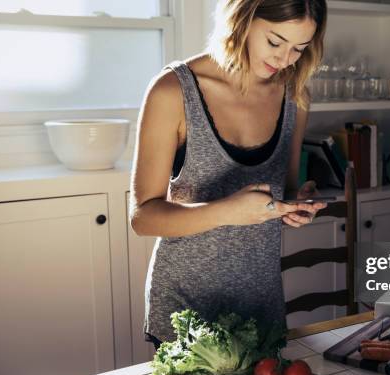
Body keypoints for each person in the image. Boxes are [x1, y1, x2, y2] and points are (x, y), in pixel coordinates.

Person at [129, 0, 328, 350]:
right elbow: (143, 217)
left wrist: (295, 205)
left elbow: (287, 191)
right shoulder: (173, 91)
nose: (285, 60)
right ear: (242, 19)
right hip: (187, 307)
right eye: (275, 42)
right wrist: (227, 211)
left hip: (261, 305)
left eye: (299, 48)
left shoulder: (296, 96)